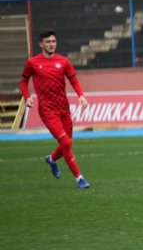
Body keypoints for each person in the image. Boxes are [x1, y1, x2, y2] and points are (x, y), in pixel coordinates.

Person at [20, 30, 91, 189]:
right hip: (47, 111)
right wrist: (27, 96)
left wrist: (81, 95)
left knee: (67, 144)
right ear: (41, 44)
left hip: (64, 109)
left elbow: (74, 80)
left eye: (53, 41)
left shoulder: (63, 61)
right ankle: (79, 178)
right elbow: (23, 82)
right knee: (65, 142)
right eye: (48, 42)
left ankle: (51, 159)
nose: (51, 44)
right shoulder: (32, 63)